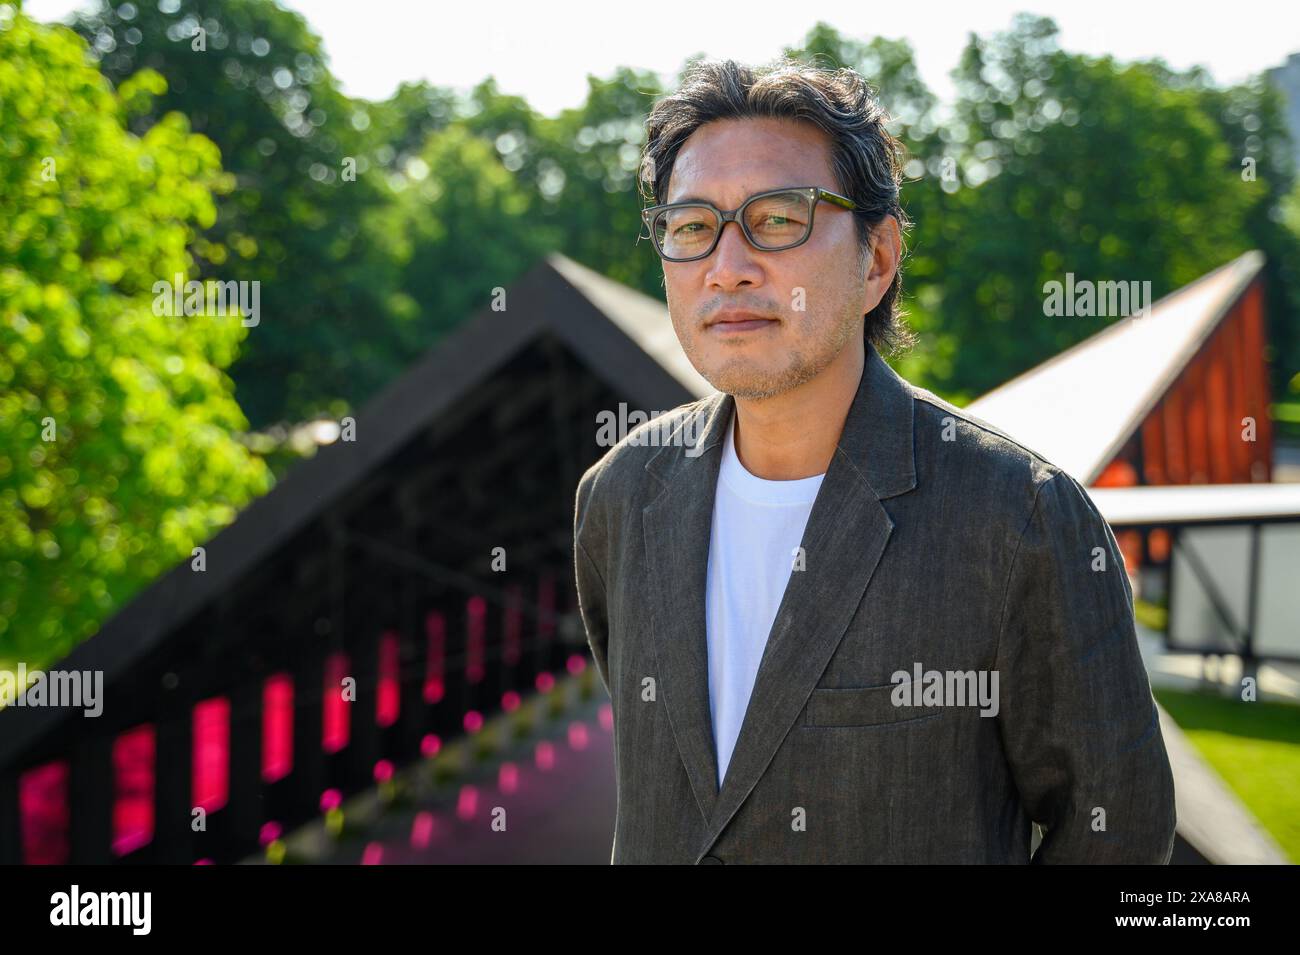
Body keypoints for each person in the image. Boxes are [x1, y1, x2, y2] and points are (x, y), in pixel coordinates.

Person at [572, 57, 1176, 864]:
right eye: (690, 226)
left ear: (878, 259)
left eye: (779, 217)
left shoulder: (1019, 517)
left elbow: (1118, 833)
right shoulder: (620, 495)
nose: (728, 264)